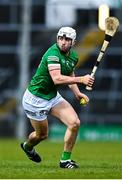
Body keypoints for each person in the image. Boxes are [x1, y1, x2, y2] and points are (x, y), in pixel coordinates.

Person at [21, 27, 94, 169]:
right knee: (41, 135)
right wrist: (82, 79)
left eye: (67, 39)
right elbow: (57, 79)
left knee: (74, 123)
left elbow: (70, 73)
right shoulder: (53, 54)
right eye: (61, 38)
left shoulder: (73, 56)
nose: (63, 42)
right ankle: (27, 146)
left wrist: (77, 93)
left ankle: (65, 161)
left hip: (53, 97)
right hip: (35, 99)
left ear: (73, 42)